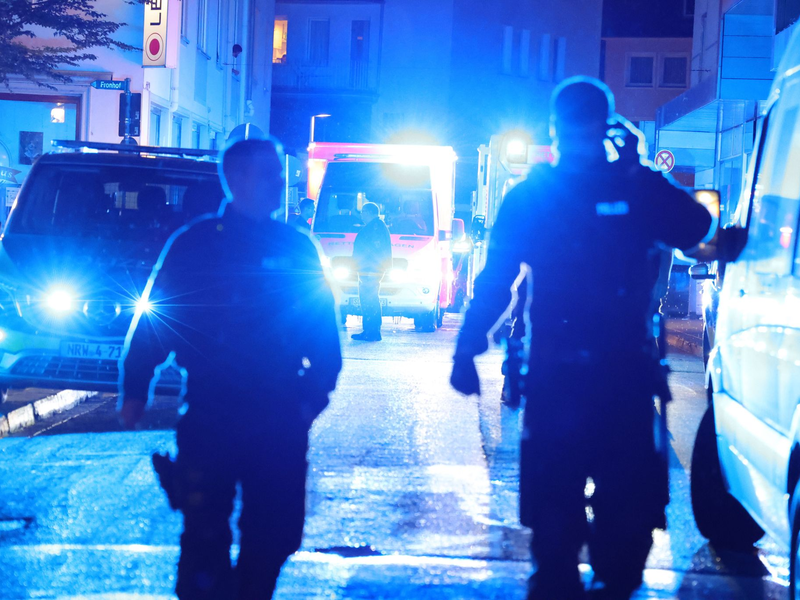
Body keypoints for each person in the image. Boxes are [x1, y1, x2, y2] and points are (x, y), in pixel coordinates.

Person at [450, 77, 714, 600]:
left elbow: (496, 279)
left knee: (555, 533)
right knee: (625, 532)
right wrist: (636, 167)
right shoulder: (634, 187)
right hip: (623, 376)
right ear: (607, 126)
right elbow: (696, 223)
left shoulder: (533, 194)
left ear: (554, 130)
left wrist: (468, 345)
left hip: (559, 374)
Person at [118, 137, 342, 600]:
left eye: (281, 175)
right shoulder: (196, 245)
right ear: (236, 179)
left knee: (278, 533)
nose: (281, 184)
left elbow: (323, 335)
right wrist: (135, 388)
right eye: (270, 175)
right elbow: (158, 321)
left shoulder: (296, 248)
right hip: (212, 411)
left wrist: (309, 400)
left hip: (279, 412)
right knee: (204, 535)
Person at [351, 201, 392, 341]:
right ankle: (369, 330)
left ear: (368, 212)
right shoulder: (376, 226)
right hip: (368, 270)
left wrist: (370, 270)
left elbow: (373, 251)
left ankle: (372, 331)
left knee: (369, 300)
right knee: (369, 300)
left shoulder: (375, 228)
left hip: (370, 270)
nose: (361, 215)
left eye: (363, 212)